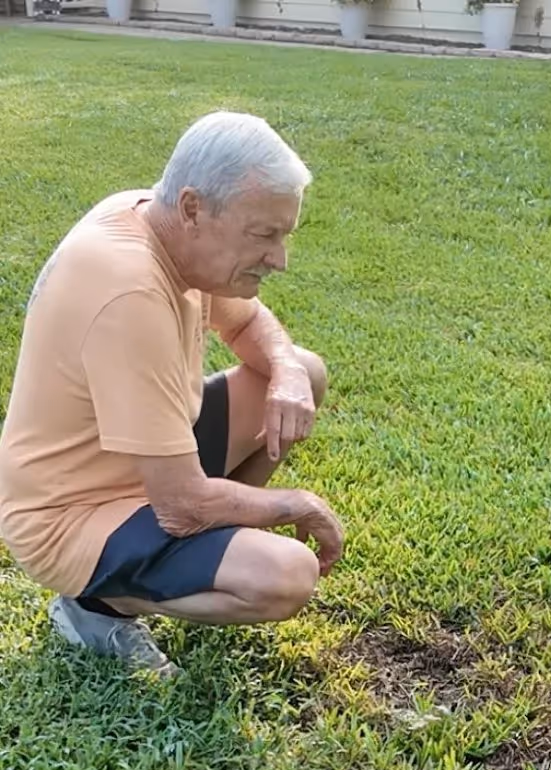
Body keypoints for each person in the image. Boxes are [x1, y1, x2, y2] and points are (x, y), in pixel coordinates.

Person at [0, 111, 345, 678]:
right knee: (284, 577)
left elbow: (244, 325)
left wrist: (282, 368)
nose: (279, 259)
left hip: (145, 462)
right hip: (70, 514)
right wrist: (294, 504)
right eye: (263, 235)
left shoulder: (153, 216)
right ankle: (94, 607)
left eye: (284, 235)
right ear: (193, 210)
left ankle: (193, 558)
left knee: (303, 375)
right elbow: (181, 505)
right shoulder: (129, 289)